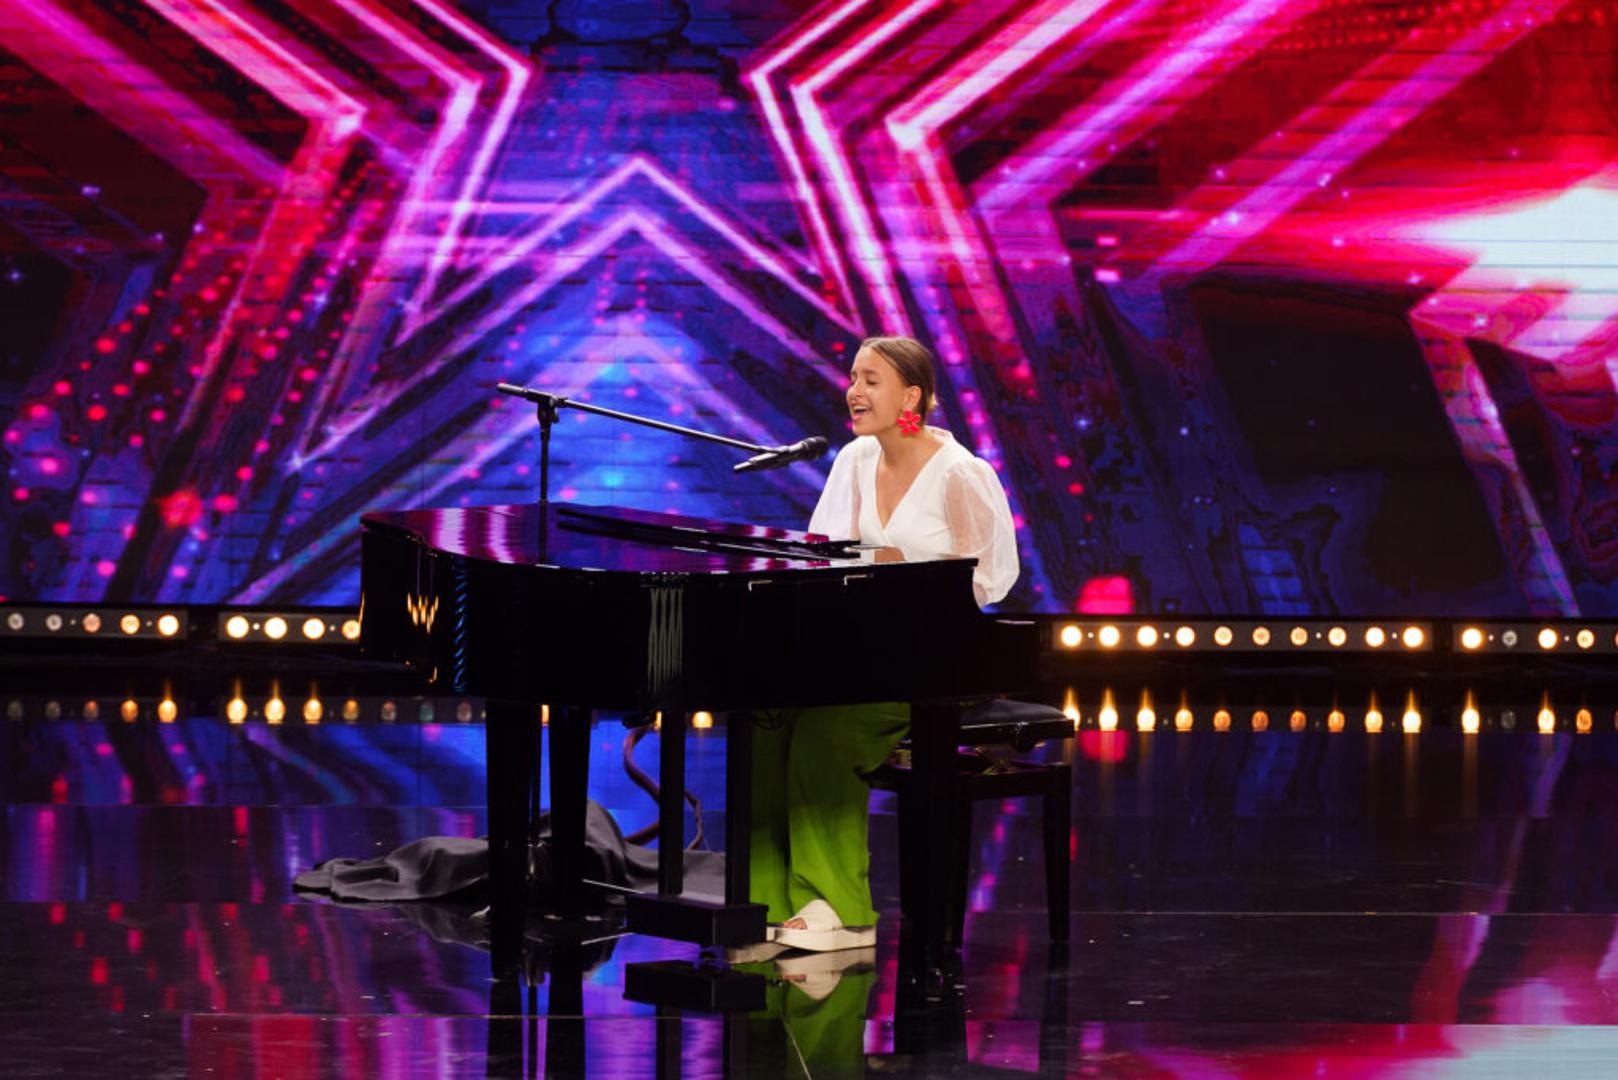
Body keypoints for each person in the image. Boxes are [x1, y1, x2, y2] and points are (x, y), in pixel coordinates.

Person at [749, 335, 1019, 953]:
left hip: (933, 661)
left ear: (911, 397)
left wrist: (915, 576)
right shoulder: (854, 460)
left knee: (826, 732)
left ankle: (838, 909)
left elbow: (992, 576)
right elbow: (825, 551)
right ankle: (767, 898)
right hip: (861, 650)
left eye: (871, 380)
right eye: (853, 378)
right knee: (764, 717)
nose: (855, 391)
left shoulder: (959, 472)